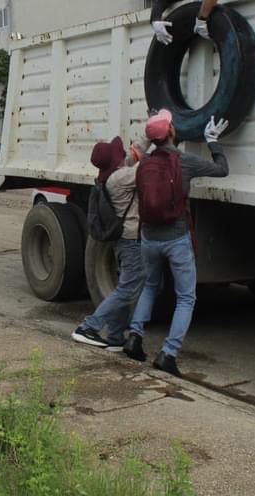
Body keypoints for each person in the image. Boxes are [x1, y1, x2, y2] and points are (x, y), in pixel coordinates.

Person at [123, 109, 230, 377]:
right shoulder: (185, 162)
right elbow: (222, 170)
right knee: (185, 297)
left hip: (149, 237)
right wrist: (212, 141)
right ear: (171, 131)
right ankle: (168, 354)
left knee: (150, 286)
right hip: (176, 238)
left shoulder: (143, 164)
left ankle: (134, 337)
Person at [71, 135, 148, 350]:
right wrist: (159, 139)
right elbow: (146, 168)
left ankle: (115, 336)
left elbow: (133, 162)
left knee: (124, 287)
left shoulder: (110, 176)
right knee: (128, 289)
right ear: (115, 161)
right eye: (119, 153)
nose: (123, 154)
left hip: (124, 241)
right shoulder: (120, 178)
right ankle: (88, 326)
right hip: (131, 241)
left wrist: (147, 137)